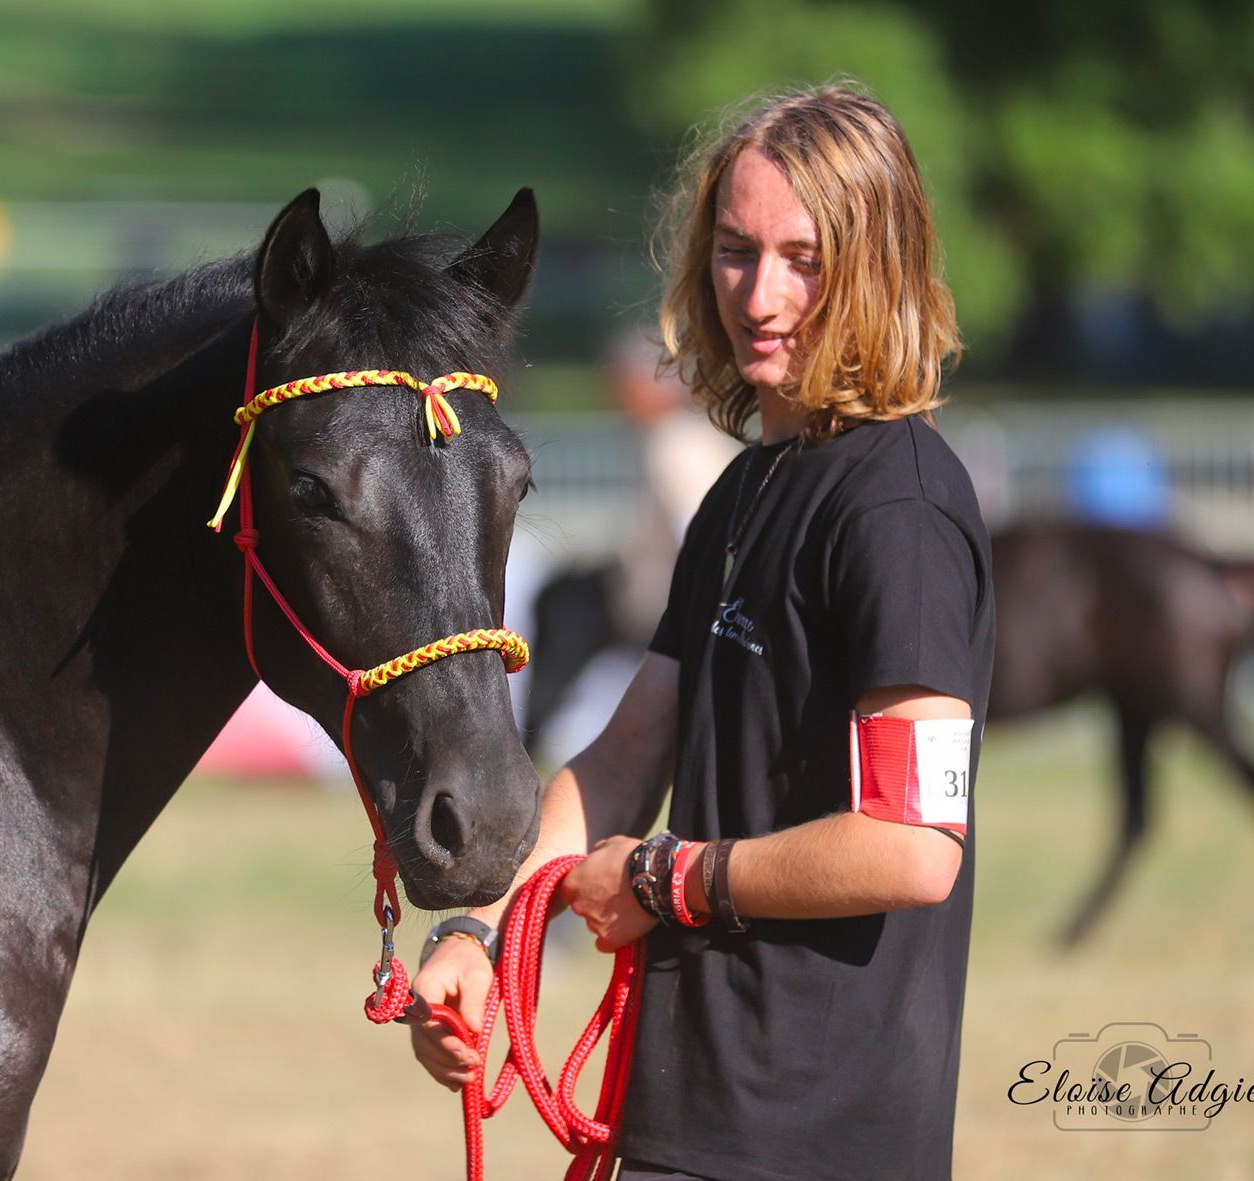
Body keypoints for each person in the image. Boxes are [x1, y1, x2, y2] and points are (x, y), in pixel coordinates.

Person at [410, 83, 994, 1180]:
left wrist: (671, 877)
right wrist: (478, 930)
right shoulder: (740, 495)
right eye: (734, 250)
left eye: (802, 259)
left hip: (810, 1141)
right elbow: (626, 755)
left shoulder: (898, 507)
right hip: (686, 1119)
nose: (759, 295)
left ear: (875, 269)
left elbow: (913, 848)